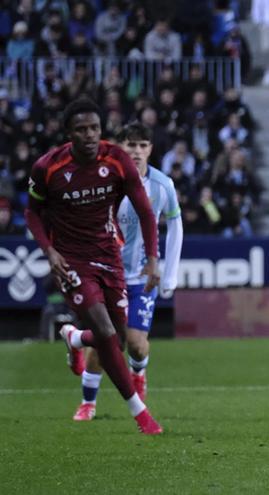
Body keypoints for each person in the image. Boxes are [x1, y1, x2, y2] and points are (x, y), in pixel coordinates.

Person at [25, 98, 163, 434]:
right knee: (105, 332)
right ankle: (140, 414)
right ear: (68, 133)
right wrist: (50, 252)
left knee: (112, 341)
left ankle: (74, 338)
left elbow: (145, 211)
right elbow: (32, 213)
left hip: (109, 255)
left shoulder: (116, 159)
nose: (89, 135)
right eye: (81, 129)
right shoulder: (48, 167)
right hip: (71, 260)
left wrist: (153, 260)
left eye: (94, 128)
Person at [71, 123, 183, 422]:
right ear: (120, 147)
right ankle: (88, 402)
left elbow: (175, 225)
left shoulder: (162, 185)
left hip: (141, 276)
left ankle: (138, 371)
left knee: (135, 342)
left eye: (142, 145)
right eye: (130, 145)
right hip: (105, 274)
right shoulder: (103, 180)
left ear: (150, 149)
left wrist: (169, 273)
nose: (136, 151)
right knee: (106, 340)